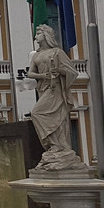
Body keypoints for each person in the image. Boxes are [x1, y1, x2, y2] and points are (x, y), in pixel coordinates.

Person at [25, 24, 81, 169]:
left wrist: (59, 71)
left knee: (40, 113)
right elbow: (30, 73)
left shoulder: (57, 53)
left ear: (46, 35)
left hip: (55, 89)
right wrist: (42, 75)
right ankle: (53, 145)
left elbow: (72, 72)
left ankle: (59, 146)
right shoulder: (36, 55)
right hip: (43, 88)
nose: (36, 36)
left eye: (38, 33)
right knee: (46, 116)